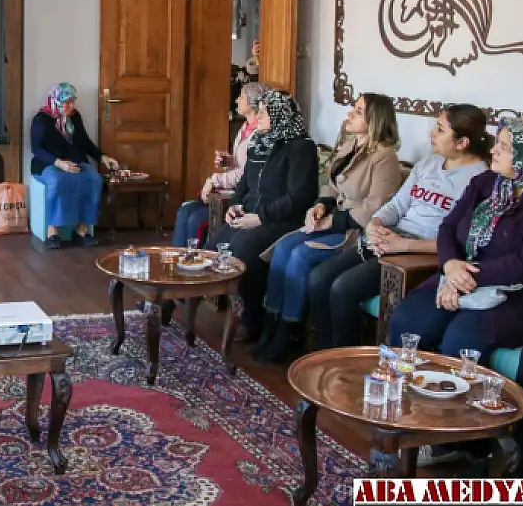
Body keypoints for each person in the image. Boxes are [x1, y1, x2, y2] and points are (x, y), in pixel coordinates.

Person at [307, 105, 490, 348]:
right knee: (319, 278)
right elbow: (396, 205)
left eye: (439, 129)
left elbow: (460, 241)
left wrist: (402, 244)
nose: (431, 134)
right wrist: (376, 223)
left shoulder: (480, 180)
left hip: (420, 254)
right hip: (391, 239)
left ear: (462, 142)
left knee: (343, 289)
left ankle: (344, 360)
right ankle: (323, 351)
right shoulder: (429, 164)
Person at [253, 93, 403, 362]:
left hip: (354, 231)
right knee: (284, 247)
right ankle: (271, 322)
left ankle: (289, 329)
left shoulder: (385, 158)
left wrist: (331, 220)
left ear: (375, 120)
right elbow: (333, 186)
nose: (350, 114)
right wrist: (321, 205)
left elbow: (374, 209)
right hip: (334, 220)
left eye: (358, 111)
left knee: (300, 255)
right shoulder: (350, 146)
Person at [388, 118, 523, 360]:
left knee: (460, 340)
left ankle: (452, 397)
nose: (493, 150)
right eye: (496, 142)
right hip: (458, 274)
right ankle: (405, 390)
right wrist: (450, 265)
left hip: (515, 291)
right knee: (410, 318)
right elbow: (447, 227)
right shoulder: (485, 183)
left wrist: (463, 277)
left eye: (505, 147)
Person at [207, 90, 318, 341]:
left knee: (246, 250)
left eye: (266, 111)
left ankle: (251, 319)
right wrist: (235, 206)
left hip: (281, 219)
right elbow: (244, 184)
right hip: (250, 213)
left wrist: (260, 217)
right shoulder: (259, 142)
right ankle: (178, 299)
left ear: (281, 114)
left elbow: (299, 198)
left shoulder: (301, 148)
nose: (260, 116)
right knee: (215, 247)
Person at [173, 82, 264, 247]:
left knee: (196, 219)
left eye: (241, 96)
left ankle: (196, 263)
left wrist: (214, 180)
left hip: (242, 196)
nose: (236, 100)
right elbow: (241, 164)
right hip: (232, 189)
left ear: (252, 103)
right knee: (185, 211)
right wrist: (229, 161)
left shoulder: (260, 134)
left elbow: (247, 173)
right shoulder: (245, 127)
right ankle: (177, 261)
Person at [30, 82, 120, 249]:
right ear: (56, 101)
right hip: (49, 163)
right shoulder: (42, 119)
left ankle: (81, 229)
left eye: (73, 101)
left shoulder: (75, 117)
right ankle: (53, 231)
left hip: (75, 162)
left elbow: (85, 142)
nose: (71, 106)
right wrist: (59, 163)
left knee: (93, 178)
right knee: (58, 181)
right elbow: (37, 149)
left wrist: (102, 157)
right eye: (67, 102)